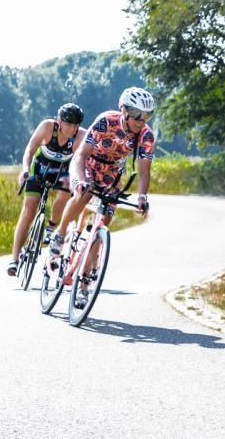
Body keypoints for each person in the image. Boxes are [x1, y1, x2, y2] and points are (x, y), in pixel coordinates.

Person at [47, 87, 155, 305]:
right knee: (84, 194)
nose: (141, 120)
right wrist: (78, 182)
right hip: (87, 165)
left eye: (147, 115)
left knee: (104, 220)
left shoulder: (146, 136)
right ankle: (59, 234)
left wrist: (142, 197)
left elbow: (144, 171)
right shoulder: (106, 122)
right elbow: (80, 155)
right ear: (123, 110)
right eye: (137, 115)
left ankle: (84, 283)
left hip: (111, 175)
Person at [7, 103, 86, 276]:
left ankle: (51, 226)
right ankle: (14, 259)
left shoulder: (81, 136)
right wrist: (25, 169)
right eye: (69, 124)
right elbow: (30, 150)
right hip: (40, 168)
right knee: (29, 210)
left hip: (62, 172)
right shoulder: (47, 127)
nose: (73, 128)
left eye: (76, 125)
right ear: (59, 121)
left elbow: (81, 160)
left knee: (67, 187)